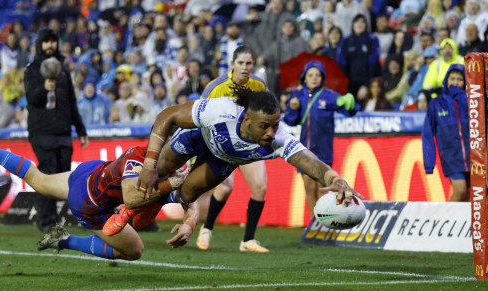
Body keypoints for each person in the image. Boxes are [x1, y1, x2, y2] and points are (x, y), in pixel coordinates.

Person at [133, 85, 360, 250]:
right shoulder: (221, 110)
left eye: (275, 125)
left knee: (187, 194)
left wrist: (336, 181)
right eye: (264, 126)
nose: (271, 132)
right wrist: (149, 165)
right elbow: (167, 115)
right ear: (247, 121)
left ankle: (149, 204)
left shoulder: (278, 138)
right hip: (197, 137)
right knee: (159, 169)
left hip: (223, 160)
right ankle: (126, 184)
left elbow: (311, 162)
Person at [0, 133, 198, 260]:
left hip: (91, 171)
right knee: (133, 251)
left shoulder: (170, 163)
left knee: (38, 180)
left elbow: (190, 197)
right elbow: (131, 198)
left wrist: (189, 223)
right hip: (88, 202)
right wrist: (170, 186)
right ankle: (66, 240)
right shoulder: (139, 161)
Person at [195, 46, 269, 252]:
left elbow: (268, 112)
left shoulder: (259, 85)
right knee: (225, 187)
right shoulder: (215, 87)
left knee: (260, 188)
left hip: (248, 143)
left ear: (253, 64)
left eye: (249, 63)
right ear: (232, 64)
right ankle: (207, 227)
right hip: (221, 144)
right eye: (241, 63)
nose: (245, 67)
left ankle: (248, 240)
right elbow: (199, 119)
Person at [24, 28, 89, 234]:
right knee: (48, 175)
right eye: (46, 42)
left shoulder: (64, 71)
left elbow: (71, 102)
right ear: (39, 45)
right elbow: (31, 100)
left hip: (62, 132)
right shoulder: (32, 69)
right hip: (41, 132)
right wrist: (44, 87)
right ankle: (46, 223)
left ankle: (57, 219)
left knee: (63, 177)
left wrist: (80, 129)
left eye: (54, 41)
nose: (51, 45)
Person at [283, 60, 357, 217]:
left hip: (323, 151)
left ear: (322, 78)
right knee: (309, 187)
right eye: (311, 75)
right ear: (304, 78)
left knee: (322, 189)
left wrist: (350, 103)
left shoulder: (329, 96)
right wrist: (292, 109)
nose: (314, 78)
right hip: (302, 151)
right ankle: (314, 224)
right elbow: (290, 120)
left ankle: (326, 222)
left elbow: (349, 111)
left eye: (318, 75)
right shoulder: (297, 96)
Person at [422, 64, 470, 202]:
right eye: (452, 78)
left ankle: (465, 224)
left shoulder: (470, 102)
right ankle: (448, 220)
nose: (455, 83)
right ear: (446, 80)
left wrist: (462, 97)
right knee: (460, 190)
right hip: (451, 156)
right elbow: (427, 134)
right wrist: (429, 164)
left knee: (470, 197)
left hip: (472, 155)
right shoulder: (436, 104)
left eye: (460, 79)